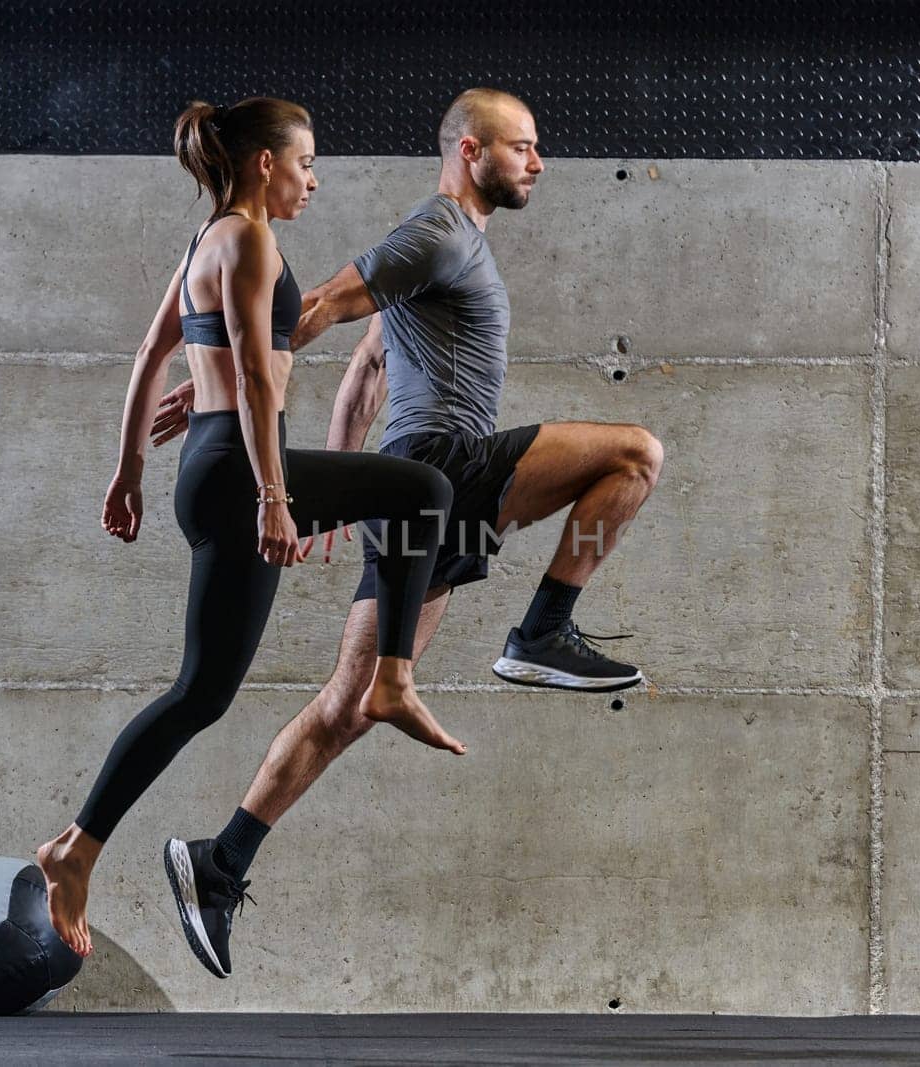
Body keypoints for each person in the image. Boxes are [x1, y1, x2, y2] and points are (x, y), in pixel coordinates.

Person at [154, 88, 664, 978]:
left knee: (350, 706)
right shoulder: (440, 231)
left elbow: (364, 369)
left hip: (415, 494)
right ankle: (544, 627)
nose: (538, 162)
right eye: (523, 147)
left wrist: (342, 477)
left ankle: (221, 859)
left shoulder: (445, 259)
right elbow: (321, 304)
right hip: (446, 465)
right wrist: (223, 384)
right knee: (635, 454)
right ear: (472, 151)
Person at [34, 96, 459, 967]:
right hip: (238, 466)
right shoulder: (254, 241)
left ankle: (77, 847)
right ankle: (390, 678)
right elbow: (260, 382)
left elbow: (153, 357)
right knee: (424, 488)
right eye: (306, 161)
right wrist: (275, 494)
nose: (314, 177)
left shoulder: (203, 242)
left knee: (201, 692)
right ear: (266, 163)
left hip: (206, 464)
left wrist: (130, 470)